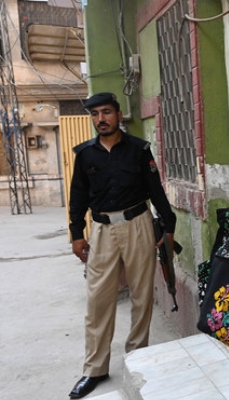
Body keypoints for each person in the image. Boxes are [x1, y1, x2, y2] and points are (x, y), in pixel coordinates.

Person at [67, 92, 177, 399]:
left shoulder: (139, 150)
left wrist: (168, 227)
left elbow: (156, 190)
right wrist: (77, 233)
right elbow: (78, 197)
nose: (100, 119)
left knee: (142, 296)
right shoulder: (85, 154)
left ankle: (136, 358)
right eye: (95, 114)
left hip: (138, 224)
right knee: (97, 300)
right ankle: (94, 369)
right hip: (101, 231)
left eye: (106, 112)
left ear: (118, 115)